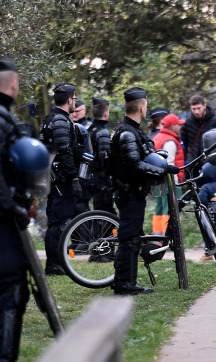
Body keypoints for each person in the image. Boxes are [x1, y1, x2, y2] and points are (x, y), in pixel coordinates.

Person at [110, 87, 180, 295]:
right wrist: (162, 169)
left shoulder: (131, 130)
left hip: (134, 191)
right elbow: (134, 164)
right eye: (146, 106)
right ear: (141, 108)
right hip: (129, 192)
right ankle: (124, 283)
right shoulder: (127, 132)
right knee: (129, 238)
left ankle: (126, 281)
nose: (146, 109)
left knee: (132, 237)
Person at [0, 55, 33, 362]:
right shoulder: (2, 119)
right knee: (11, 287)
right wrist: (14, 206)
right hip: (2, 219)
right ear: (13, 85)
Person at [39, 82, 81, 276]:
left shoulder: (50, 119)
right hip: (60, 180)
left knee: (56, 221)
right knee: (59, 221)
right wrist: (74, 178)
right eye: (74, 99)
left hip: (52, 179)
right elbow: (65, 151)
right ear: (70, 100)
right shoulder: (60, 121)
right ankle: (55, 264)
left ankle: (55, 263)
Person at [152, 114, 185, 236]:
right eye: (178, 125)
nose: (180, 127)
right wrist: (175, 182)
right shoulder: (170, 141)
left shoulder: (158, 137)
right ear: (173, 126)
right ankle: (172, 238)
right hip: (169, 182)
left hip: (157, 181)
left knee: (160, 209)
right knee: (172, 210)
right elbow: (169, 163)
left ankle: (158, 238)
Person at [88, 97, 115, 214]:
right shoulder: (102, 132)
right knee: (105, 213)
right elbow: (105, 160)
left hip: (90, 178)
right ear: (105, 113)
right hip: (101, 180)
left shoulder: (89, 129)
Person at [181, 95, 216, 171]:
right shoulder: (188, 123)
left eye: (199, 108)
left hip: (211, 164)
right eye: (194, 109)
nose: (196, 112)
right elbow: (183, 144)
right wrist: (186, 160)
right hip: (194, 164)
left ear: (204, 106)